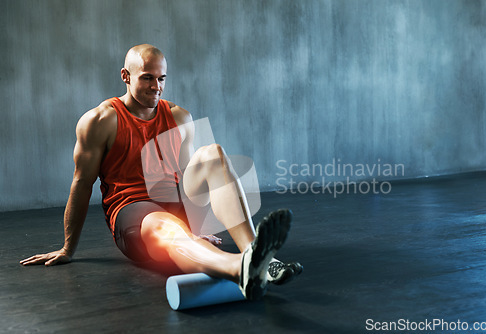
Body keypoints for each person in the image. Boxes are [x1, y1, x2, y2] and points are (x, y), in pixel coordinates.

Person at [20, 44, 302, 300]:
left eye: (161, 78)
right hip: (134, 211)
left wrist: (197, 229)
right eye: (147, 77)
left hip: (170, 201)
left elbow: (186, 179)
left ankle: (257, 255)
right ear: (125, 76)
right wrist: (68, 248)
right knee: (165, 225)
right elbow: (81, 184)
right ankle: (238, 269)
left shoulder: (179, 116)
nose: (156, 86)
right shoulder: (100, 120)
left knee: (212, 154)